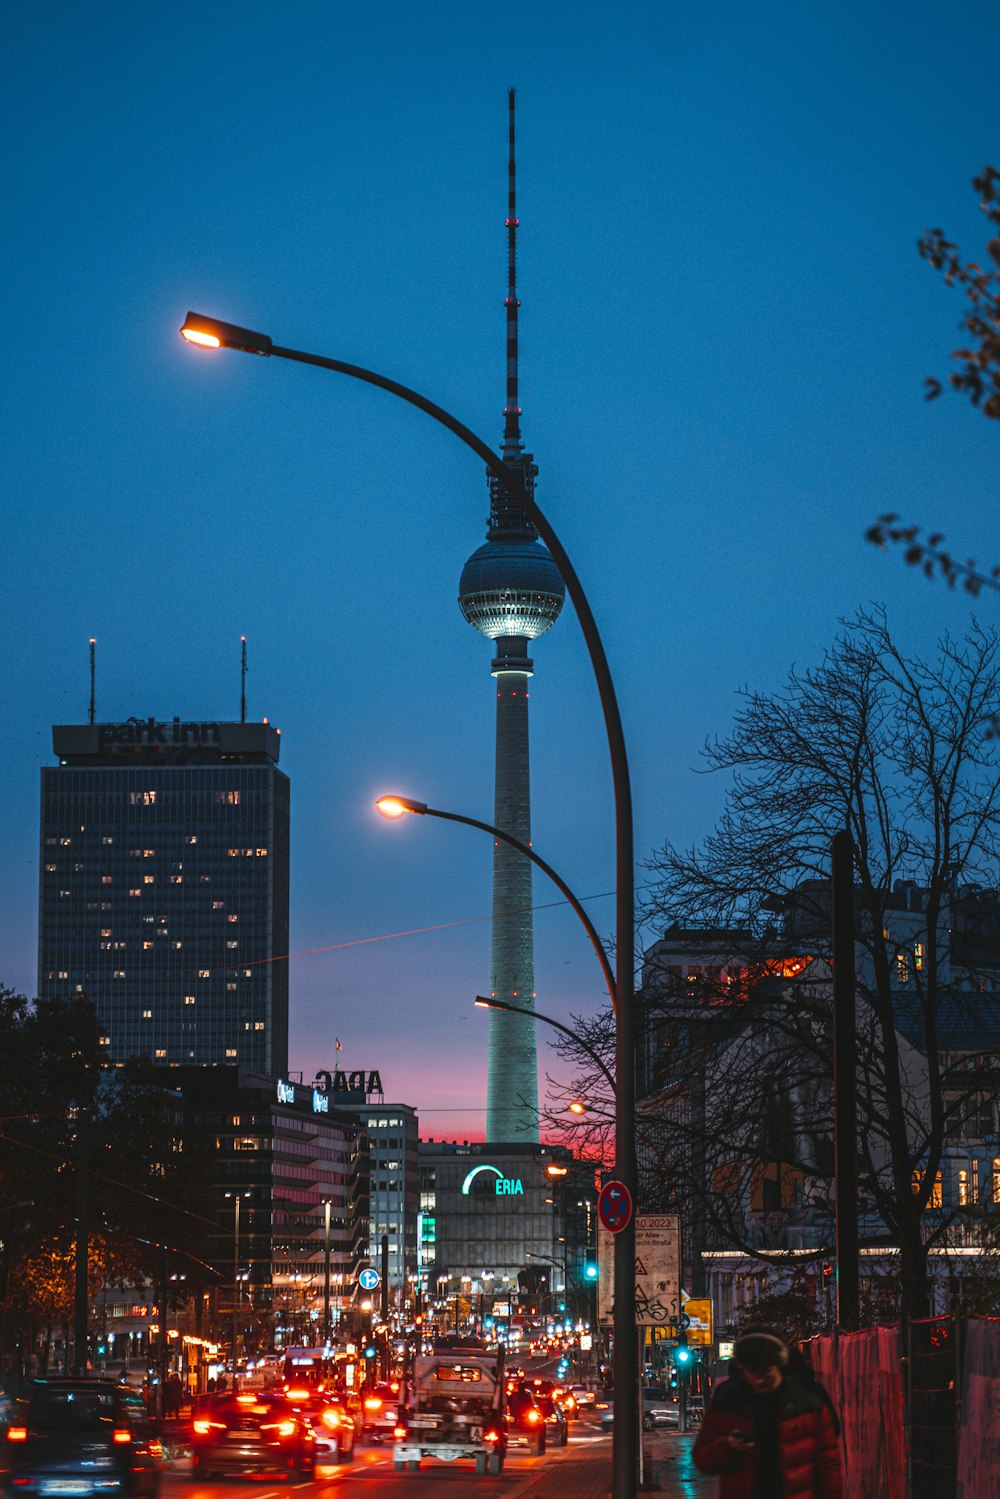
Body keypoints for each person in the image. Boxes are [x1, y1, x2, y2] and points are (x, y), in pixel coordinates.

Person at [693, 1328, 842, 1499]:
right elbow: (702, 1459)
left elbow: (828, 1467)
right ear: (742, 1368)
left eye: (765, 1372)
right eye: (752, 1372)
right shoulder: (728, 1401)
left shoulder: (808, 1401)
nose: (759, 1380)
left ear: (779, 1364)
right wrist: (727, 1445)